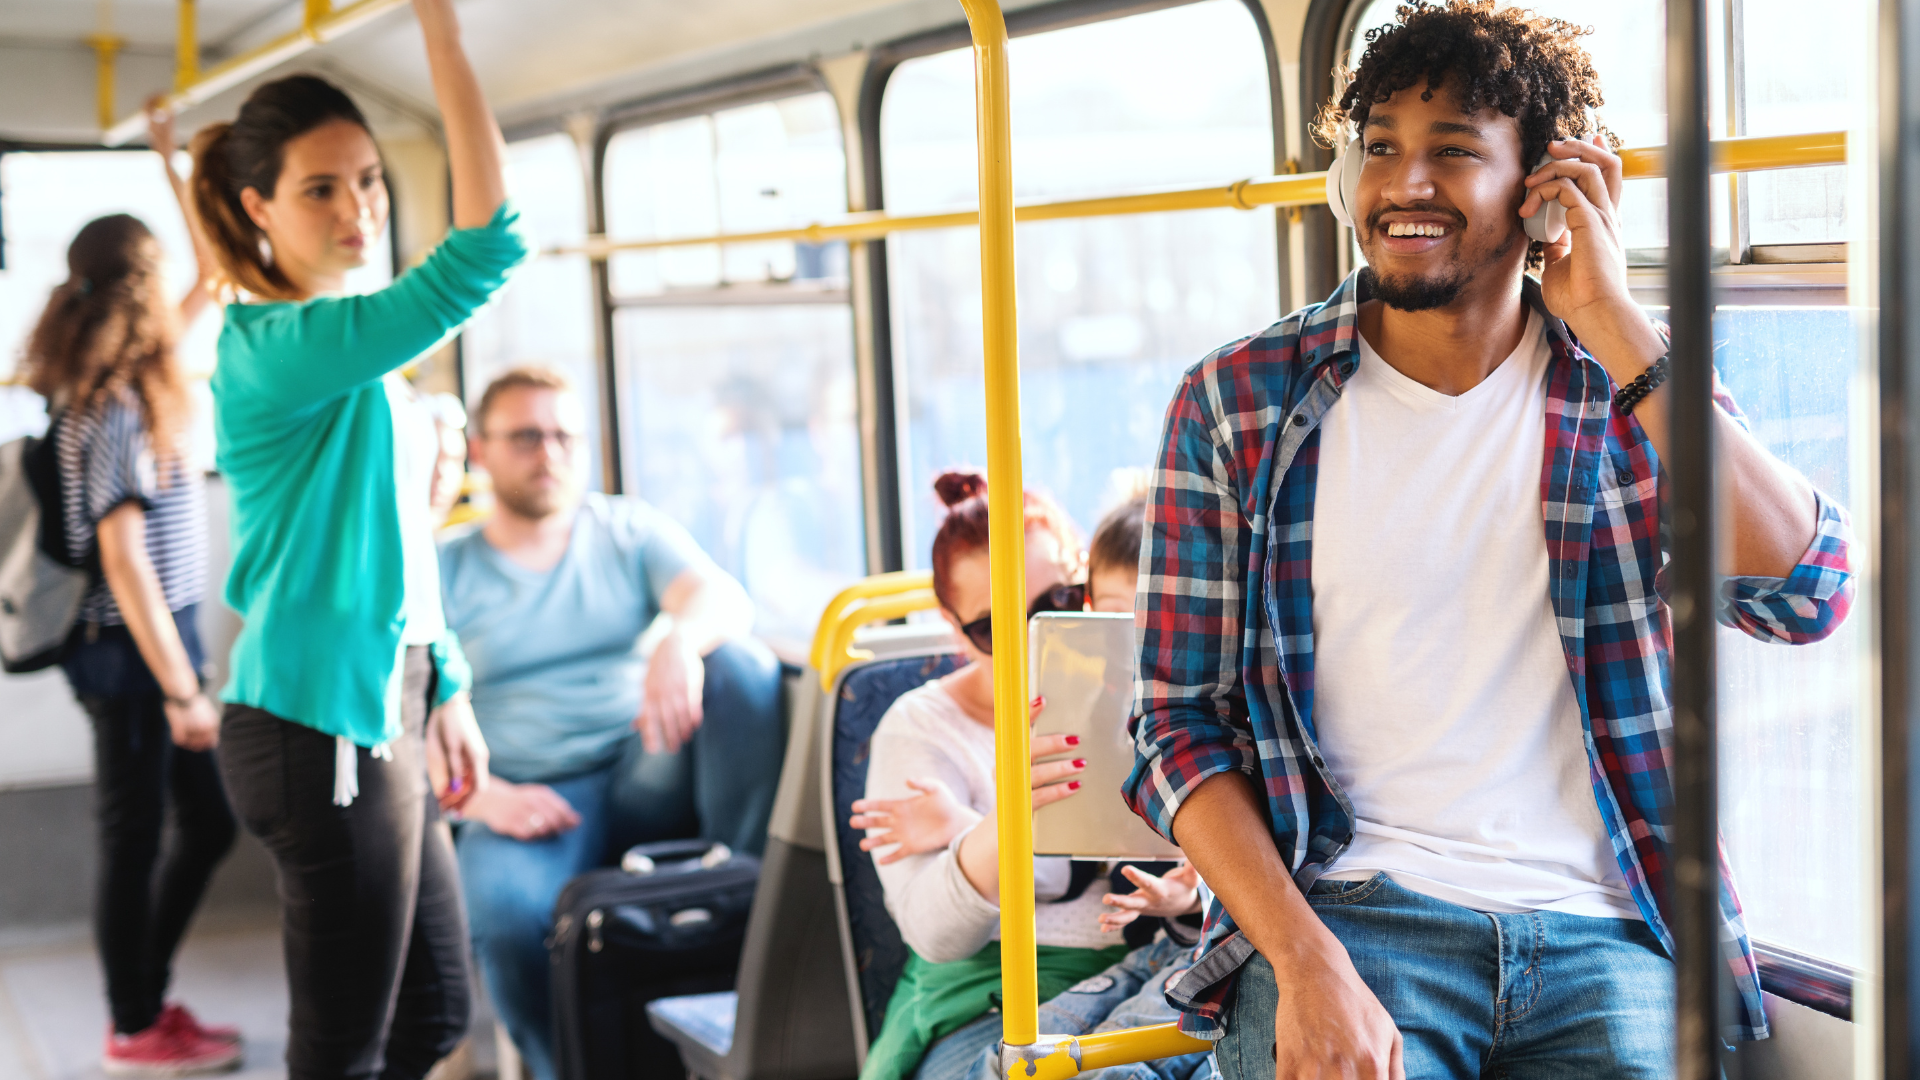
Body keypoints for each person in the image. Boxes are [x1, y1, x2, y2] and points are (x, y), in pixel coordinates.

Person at [1123, 3, 1855, 1078]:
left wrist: (1615, 320)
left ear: (1545, 188)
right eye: (1379, 149)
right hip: (1351, 920)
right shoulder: (1238, 402)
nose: (1402, 185)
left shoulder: (1624, 390)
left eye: (1453, 151)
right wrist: (1302, 962)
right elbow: (1176, 726)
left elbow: (1806, 594)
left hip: (1606, 936)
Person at [191, 1, 528, 1074]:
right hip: (316, 727)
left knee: (431, 1018)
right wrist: (443, 38)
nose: (361, 208)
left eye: (371, 178)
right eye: (322, 188)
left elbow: (399, 543)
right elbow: (485, 250)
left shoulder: (347, 345)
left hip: (389, 699)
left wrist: (450, 682)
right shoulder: (278, 346)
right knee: (344, 1051)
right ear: (259, 207)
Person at [437, 366, 786, 1080]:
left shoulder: (625, 530)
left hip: (640, 769)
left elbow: (722, 597)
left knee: (741, 669)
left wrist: (677, 640)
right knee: (505, 916)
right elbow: (402, 718)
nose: (550, 453)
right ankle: (561, 1066)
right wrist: (481, 799)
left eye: (565, 435)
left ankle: (744, 891)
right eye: (527, 436)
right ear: (481, 450)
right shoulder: (446, 568)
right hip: (525, 797)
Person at [848, 471, 1210, 1080]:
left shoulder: (1148, 696)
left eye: (1056, 607)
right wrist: (1000, 820)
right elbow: (935, 935)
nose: (1025, 644)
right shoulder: (919, 728)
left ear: (1086, 584)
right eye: (995, 626)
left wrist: (954, 827)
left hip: (1142, 968)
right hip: (985, 997)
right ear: (954, 625)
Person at [16, 104, 240, 1078]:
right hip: (136, 648)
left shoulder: (113, 376)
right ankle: (136, 1021)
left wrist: (174, 161)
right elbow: (126, 564)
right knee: (145, 833)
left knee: (191, 825)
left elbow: (216, 276)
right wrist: (184, 686)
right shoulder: (115, 408)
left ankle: (142, 1002)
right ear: (141, 289)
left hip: (145, 644)